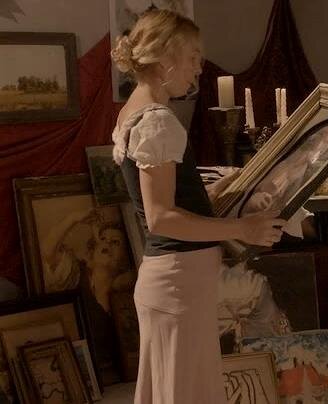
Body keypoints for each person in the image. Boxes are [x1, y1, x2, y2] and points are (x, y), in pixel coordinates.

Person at [110, 9, 285, 403]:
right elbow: (161, 218)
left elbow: (169, 201)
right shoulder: (157, 122)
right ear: (164, 59)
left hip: (175, 282)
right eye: (193, 57)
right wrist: (243, 228)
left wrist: (223, 187)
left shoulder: (136, 111)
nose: (199, 68)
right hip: (178, 284)